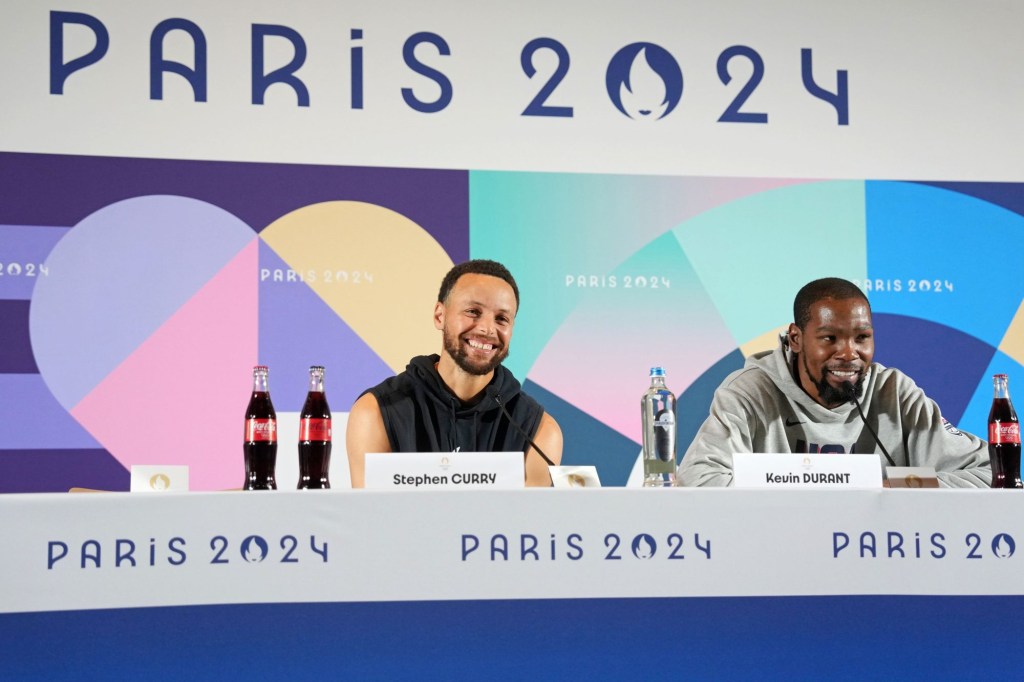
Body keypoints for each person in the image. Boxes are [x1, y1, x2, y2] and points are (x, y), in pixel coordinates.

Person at [677, 277, 991, 488]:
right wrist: (822, 494)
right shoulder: (749, 392)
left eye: (862, 338)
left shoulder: (895, 393)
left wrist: (892, 488)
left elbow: (994, 474)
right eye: (830, 338)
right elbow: (699, 479)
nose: (848, 353)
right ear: (797, 338)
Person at [346, 259, 563, 487]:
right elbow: (373, 518)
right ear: (440, 316)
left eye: (502, 318)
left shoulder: (540, 431)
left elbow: (527, 521)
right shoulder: (376, 411)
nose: (487, 328)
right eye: (473, 311)